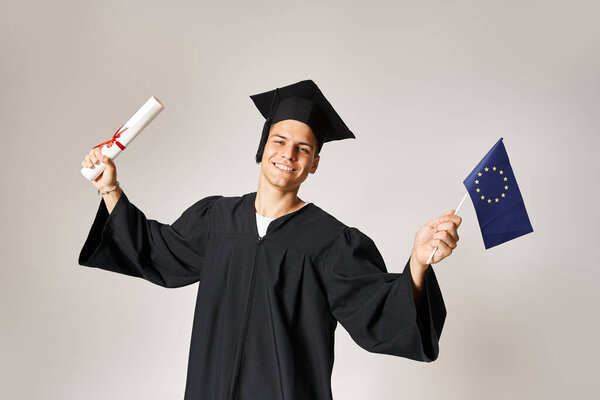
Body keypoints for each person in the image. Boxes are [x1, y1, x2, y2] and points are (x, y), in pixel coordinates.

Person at [78, 79, 461, 400]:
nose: (288, 154)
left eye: (303, 148)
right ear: (263, 147)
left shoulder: (331, 243)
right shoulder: (216, 220)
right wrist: (110, 190)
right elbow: (155, 252)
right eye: (279, 141)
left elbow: (379, 315)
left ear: (314, 163)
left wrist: (416, 263)